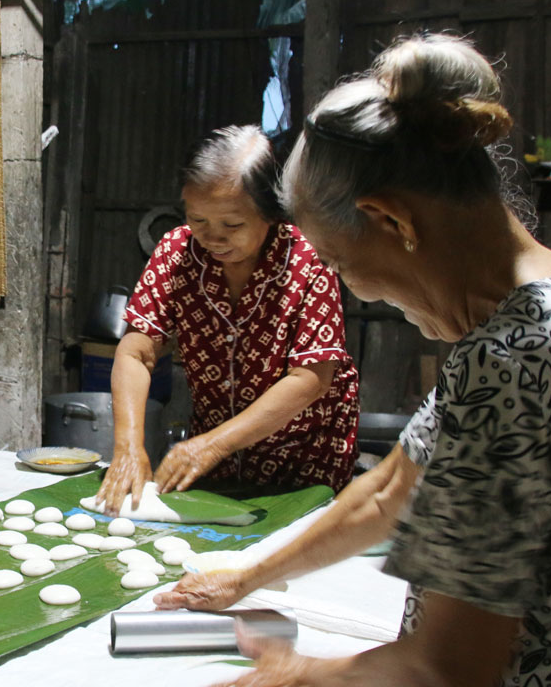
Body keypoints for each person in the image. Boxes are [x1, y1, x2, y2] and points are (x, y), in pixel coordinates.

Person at [158, 34, 551, 687]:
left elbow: (452, 662)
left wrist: (307, 681)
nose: (360, 292)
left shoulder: (515, 362)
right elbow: (390, 491)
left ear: (391, 219)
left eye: (343, 265)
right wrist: (249, 576)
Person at [96, 125, 359, 512]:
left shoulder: (308, 259)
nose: (212, 238)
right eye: (198, 220)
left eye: (232, 225)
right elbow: (137, 353)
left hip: (303, 456)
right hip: (213, 455)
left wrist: (215, 443)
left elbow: (311, 378)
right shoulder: (177, 253)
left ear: (270, 212)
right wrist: (128, 446)